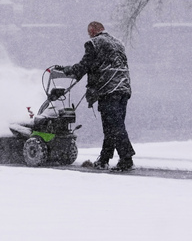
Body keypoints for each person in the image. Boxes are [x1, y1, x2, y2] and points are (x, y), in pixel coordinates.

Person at [55, 20, 135, 172]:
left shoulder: (94, 43)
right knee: (113, 126)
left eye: (89, 33)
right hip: (124, 89)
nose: (89, 35)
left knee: (114, 126)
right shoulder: (118, 43)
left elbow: (84, 66)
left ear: (92, 31)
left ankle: (126, 159)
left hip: (109, 90)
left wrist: (66, 70)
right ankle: (104, 159)